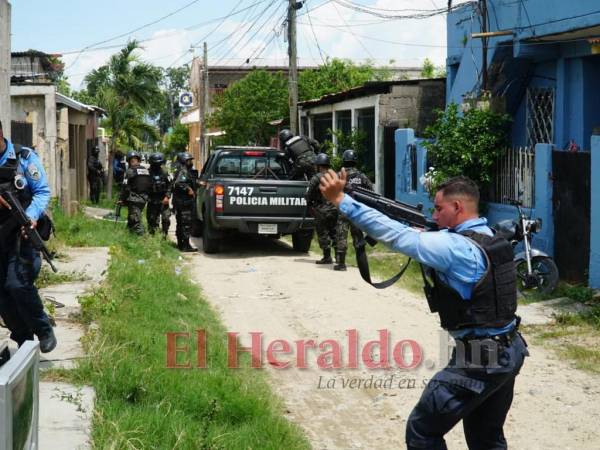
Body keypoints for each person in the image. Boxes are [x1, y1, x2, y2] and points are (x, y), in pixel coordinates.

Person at [319, 172, 528, 450]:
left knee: (422, 430)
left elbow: (395, 235)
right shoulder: (488, 237)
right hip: (511, 349)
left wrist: (340, 200)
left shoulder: (453, 247)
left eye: (439, 208)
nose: (434, 215)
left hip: (481, 358)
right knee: (486, 439)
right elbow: (433, 235)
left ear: (457, 208)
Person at [0, 120, 56, 353]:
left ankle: (43, 329)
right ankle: (24, 341)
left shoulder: (23, 158)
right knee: (2, 294)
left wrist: (31, 216)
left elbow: (42, 191)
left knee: (17, 285)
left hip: (21, 235)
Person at [334, 149, 373, 271]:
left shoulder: (339, 175)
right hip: (356, 210)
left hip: (343, 209)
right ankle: (361, 264)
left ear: (344, 160)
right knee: (358, 238)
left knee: (341, 236)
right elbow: (371, 193)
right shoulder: (362, 176)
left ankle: (341, 264)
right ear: (355, 161)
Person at [305, 153, 338, 264]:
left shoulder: (316, 178)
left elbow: (308, 193)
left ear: (319, 166)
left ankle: (327, 256)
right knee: (334, 232)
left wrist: (309, 203)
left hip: (322, 209)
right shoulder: (335, 175)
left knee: (323, 233)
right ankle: (339, 256)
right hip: (335, 208)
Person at [118, 150, 151, 235]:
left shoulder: (130, 171)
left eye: (133, 160)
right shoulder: (145, 170)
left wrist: (121, 199)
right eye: (132, 160)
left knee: (136, 222)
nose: (132, 162)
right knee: (131, 219)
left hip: (134, 199)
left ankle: (144, 239)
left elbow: (125, 187)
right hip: (143, 199)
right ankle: (129, 235)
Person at [171, 152, 197, 252]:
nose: (191, 162)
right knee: (186, 224)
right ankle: (185, 246)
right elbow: (179, 183)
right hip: (184, 203)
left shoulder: (184, 171)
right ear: (184, 161)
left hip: (181, 202)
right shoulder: (184, 171)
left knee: (180, 224)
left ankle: (181, 244)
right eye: (189, 160)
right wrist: (188, 189)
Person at [146, 152, 171, 238]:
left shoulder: (164, 172)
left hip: (163, 200)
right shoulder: (147, 173)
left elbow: (170, 185)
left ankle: (164, 236)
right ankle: (152, 237)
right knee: (152, 220)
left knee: (166, 219)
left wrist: (167, 196)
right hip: (152, 200)